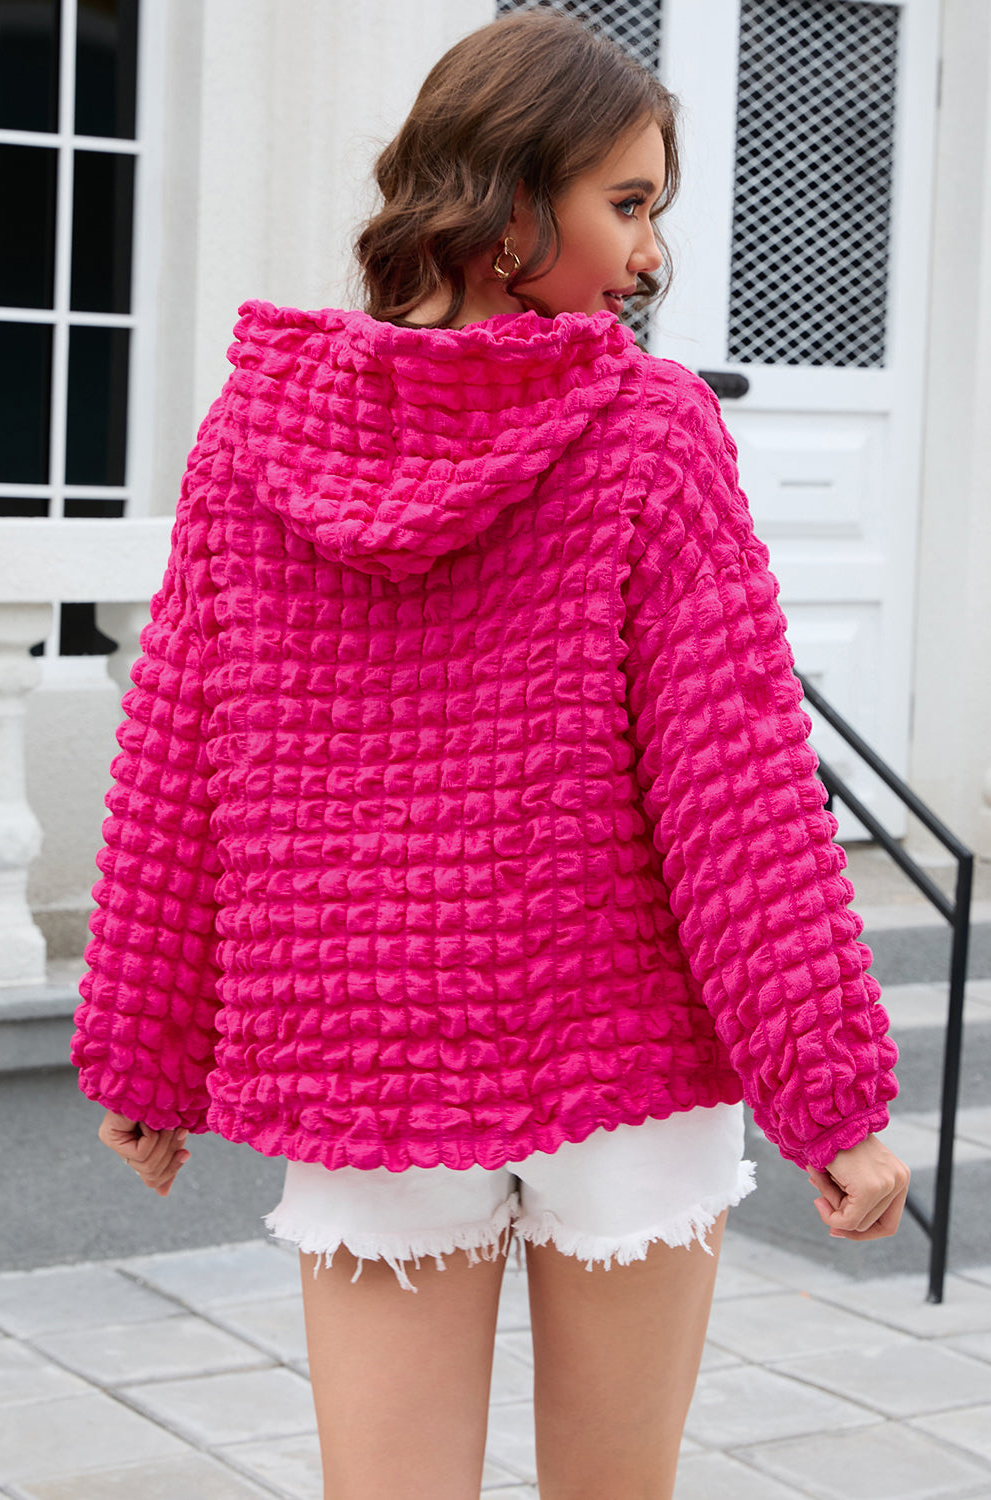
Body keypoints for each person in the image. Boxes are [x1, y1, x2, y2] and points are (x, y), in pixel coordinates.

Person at [72, 12, 910, 1500]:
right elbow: (737, 798)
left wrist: (147, 1046)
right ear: (513, 202)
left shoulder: (248, 436)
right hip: (620, 1044)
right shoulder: (648, 433)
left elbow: (171, 769)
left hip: (358, 1048)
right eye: (628, 205)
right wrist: (826, 1093)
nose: (649, 257)